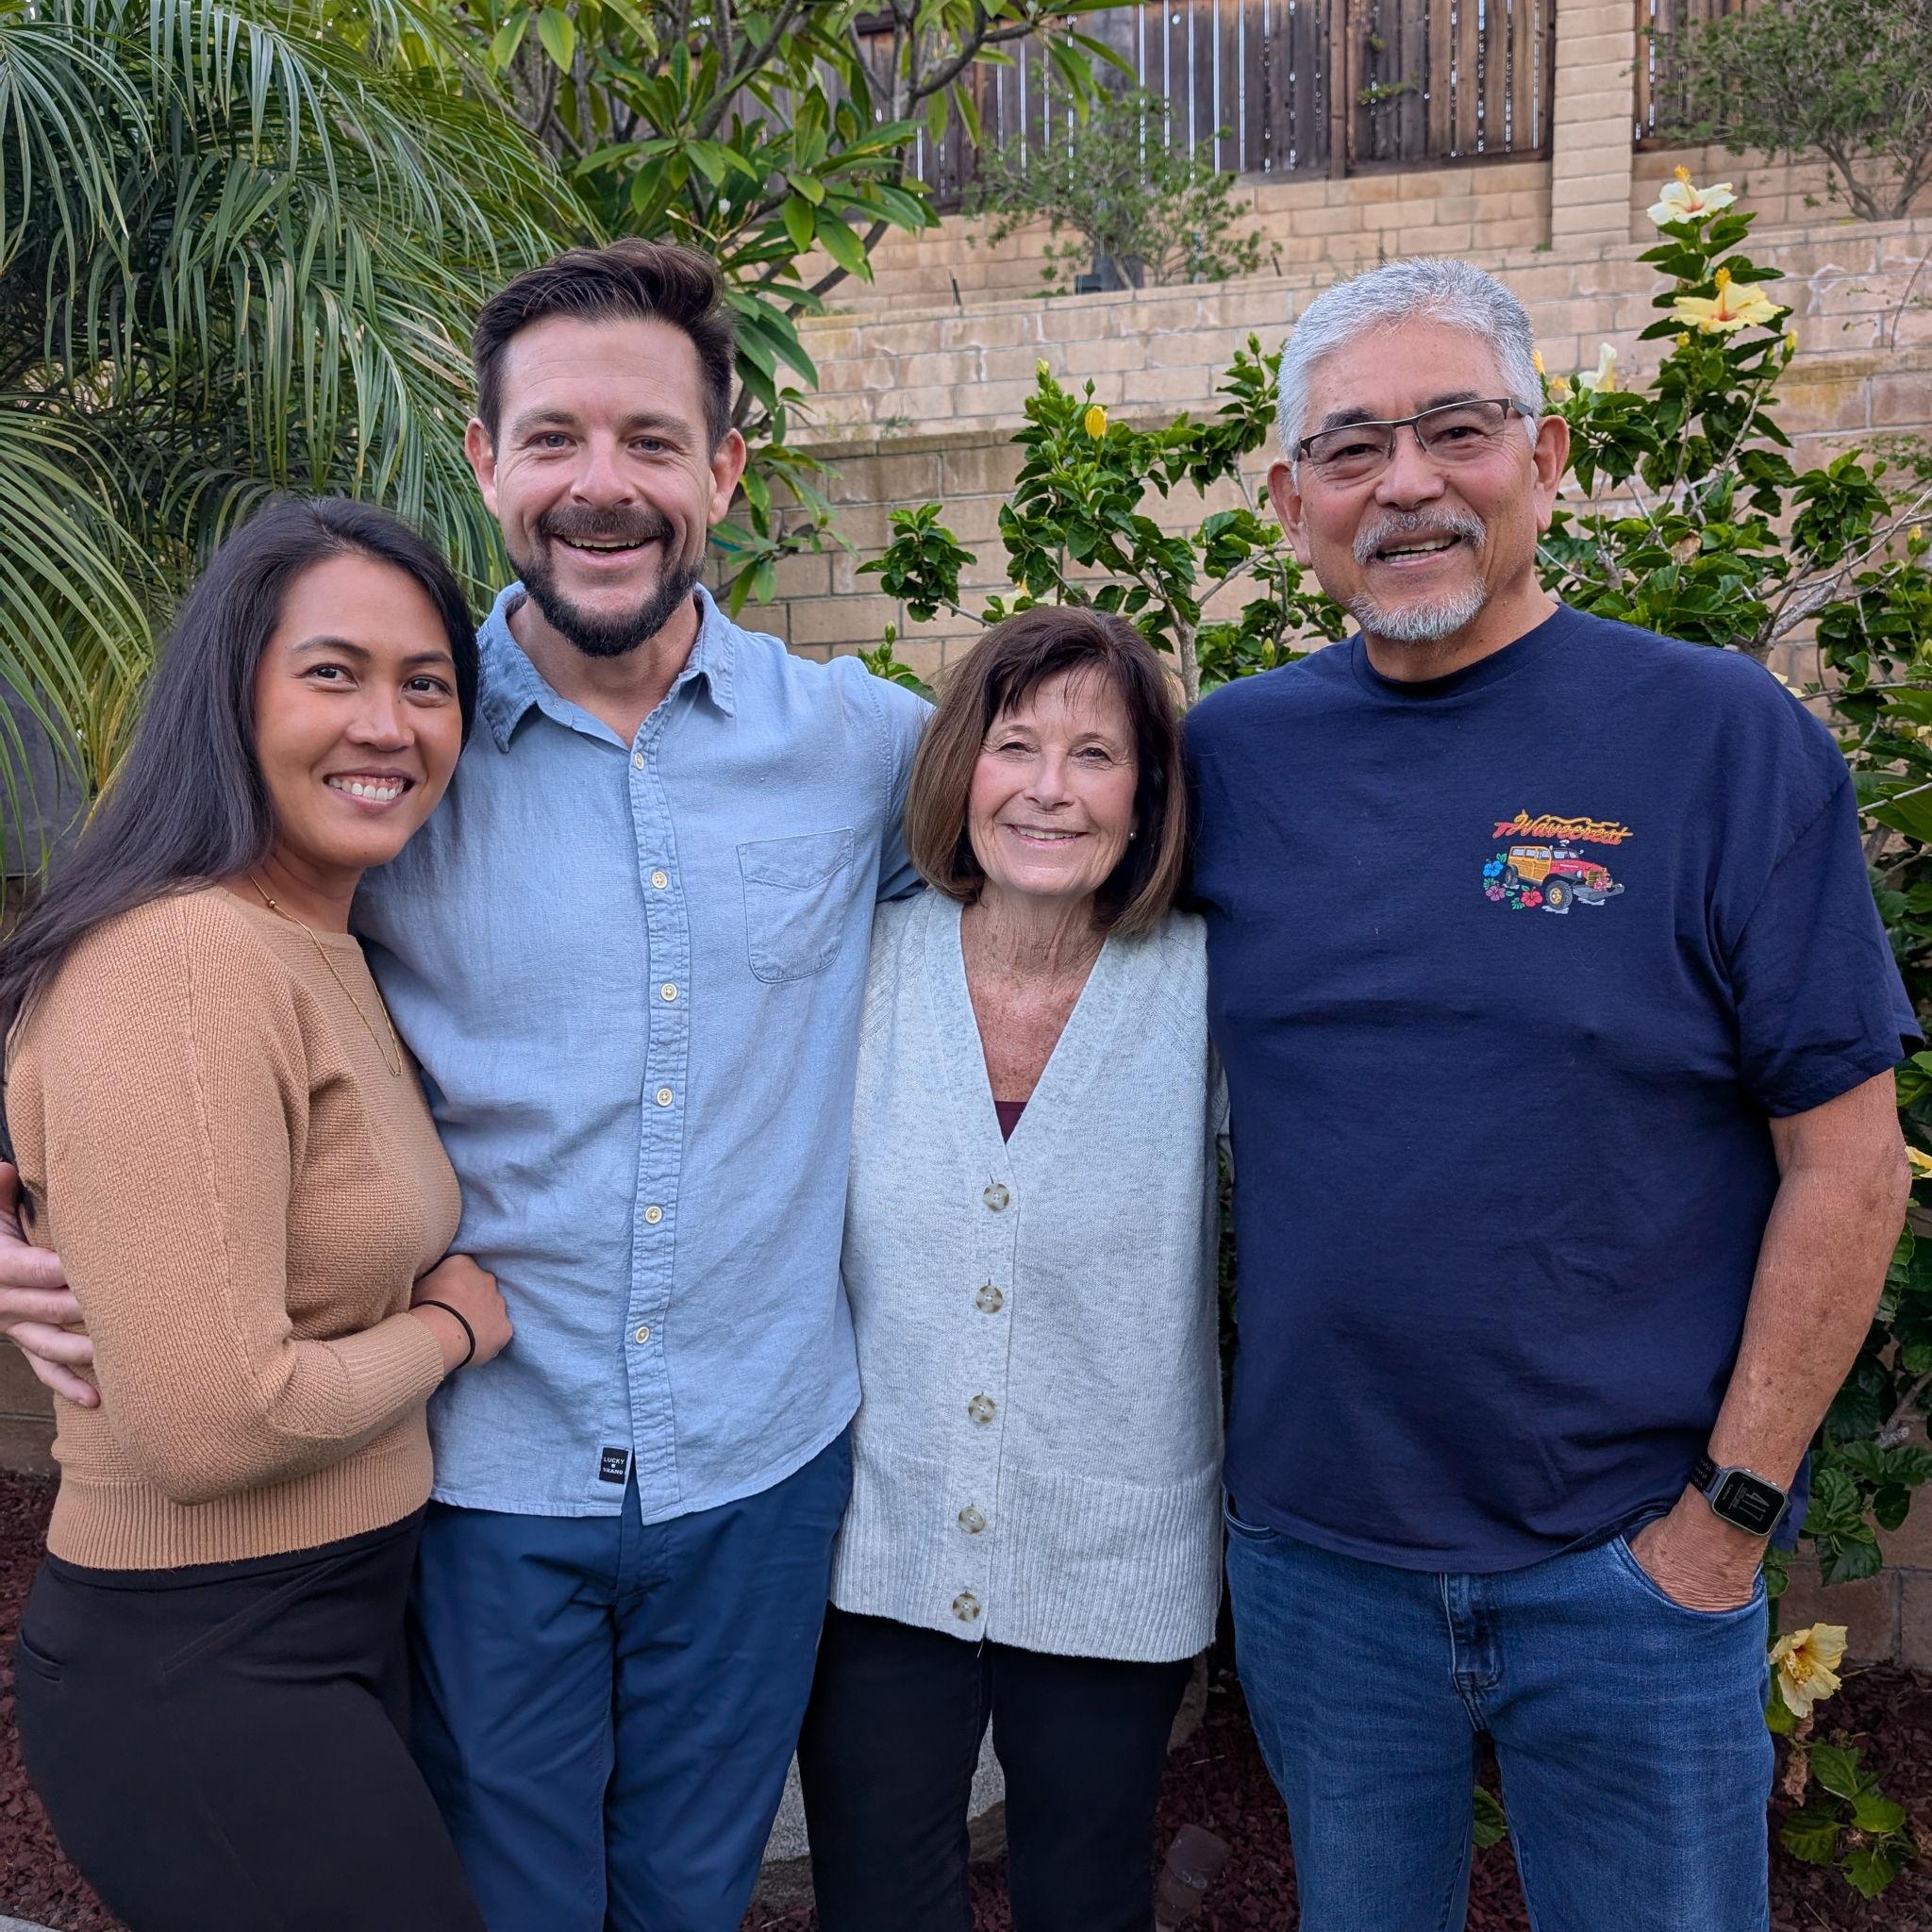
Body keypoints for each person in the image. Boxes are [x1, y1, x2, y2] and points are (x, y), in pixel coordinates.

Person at [0, 238, 930, 1931]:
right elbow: (133, 959)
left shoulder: (865, 746)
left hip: (762, 1458)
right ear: (488, 461)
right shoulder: (389, 737)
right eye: (556, 437)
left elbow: (1080, 884)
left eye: (653, 440)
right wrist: (21, 1201)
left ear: (726, 469)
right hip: (487, 1468)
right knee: (504, 1904)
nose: (605, 483)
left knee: (690, 1898)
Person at [1186, 256, 1916, 1932]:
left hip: (1631, 1565)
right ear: (1291, 496)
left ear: (1548, 454)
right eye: (1355, 449)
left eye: (1458, 429)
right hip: (1319, 1570)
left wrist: (1726, 1521)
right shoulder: (1230, 759)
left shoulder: (1719, 738)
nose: (1410, 482)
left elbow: (1851, 1167)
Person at [1, 497, 508, 1932]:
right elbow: (214, 1423)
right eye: (332, 672)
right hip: (199, 1660)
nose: (387, 724)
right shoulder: (185, 959)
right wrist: (452, 1328)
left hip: (317, 1621)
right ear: (234, 693)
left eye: (427, 685)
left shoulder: (313, 938)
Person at [797, 606, 1222, 1932]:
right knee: (876, 1897)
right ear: (956, 770)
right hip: (878, 1534)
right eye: (1014, 745)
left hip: (1114, 1540)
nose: (1048, 788)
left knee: (1087, 1895)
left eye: (1095, 755)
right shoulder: (858, 968)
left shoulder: (1207, 984)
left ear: (1145, 794)